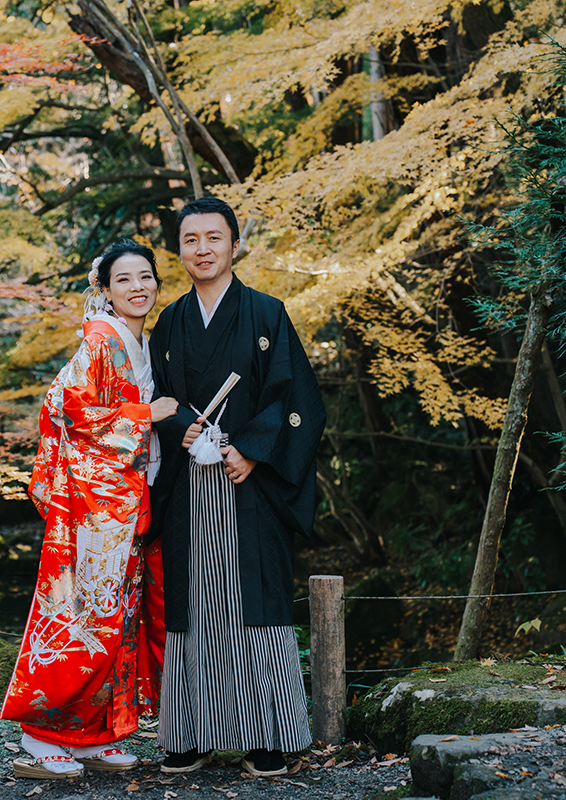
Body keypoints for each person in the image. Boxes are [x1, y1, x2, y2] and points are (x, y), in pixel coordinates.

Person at [148, 197, 326, 777]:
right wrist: (180, 429)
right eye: (191, 240)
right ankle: (190, 733)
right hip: (189, 486)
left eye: (213, 238)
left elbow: (298, 400)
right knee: (194, 606)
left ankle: (267, 736)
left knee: (256, 601)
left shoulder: (267, 313)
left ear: (233, 244)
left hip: (248, 481)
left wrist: (252, 449)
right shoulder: (170, 322)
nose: (202, 249)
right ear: (179, 250)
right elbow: (156, 402)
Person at [1, 240, 177, 779]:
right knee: (78, 616)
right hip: (94, 506)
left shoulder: (139, 342)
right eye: (124, 279)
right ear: (104, 290)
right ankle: (41, 735)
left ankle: (97, 734)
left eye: (145, 276)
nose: (138, 287)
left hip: (124, 502)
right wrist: (146, 412)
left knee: (118, 618)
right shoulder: (102, 338)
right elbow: (70, 409)